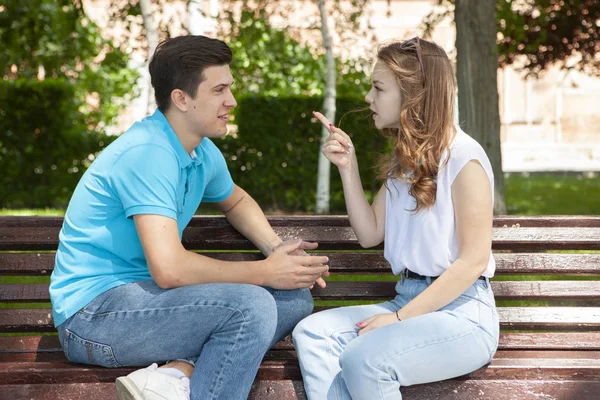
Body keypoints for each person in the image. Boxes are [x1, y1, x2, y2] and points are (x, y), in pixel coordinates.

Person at [49, 35, 330, 400]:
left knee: (294, 298)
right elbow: (169, 270)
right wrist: (264, 272)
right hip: (93, 318)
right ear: (181, 99)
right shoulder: (148, 154)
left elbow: (236, 200)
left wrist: (277, 250)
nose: (232, 101)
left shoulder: (200, 152)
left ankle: (176, 374)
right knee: (253, 305)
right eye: (219, 90)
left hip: (149, 304)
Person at [293, 37, 500, 399]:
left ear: (413, 94)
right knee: (313, 334)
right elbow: (370, 234)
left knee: (365, 359)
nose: (369, 98)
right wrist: (348, 167)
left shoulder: (464, 158)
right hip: (408, 302)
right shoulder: (406, 163)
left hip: (462, 316)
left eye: (378, 88)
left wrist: (400, 320)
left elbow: (472, 263)